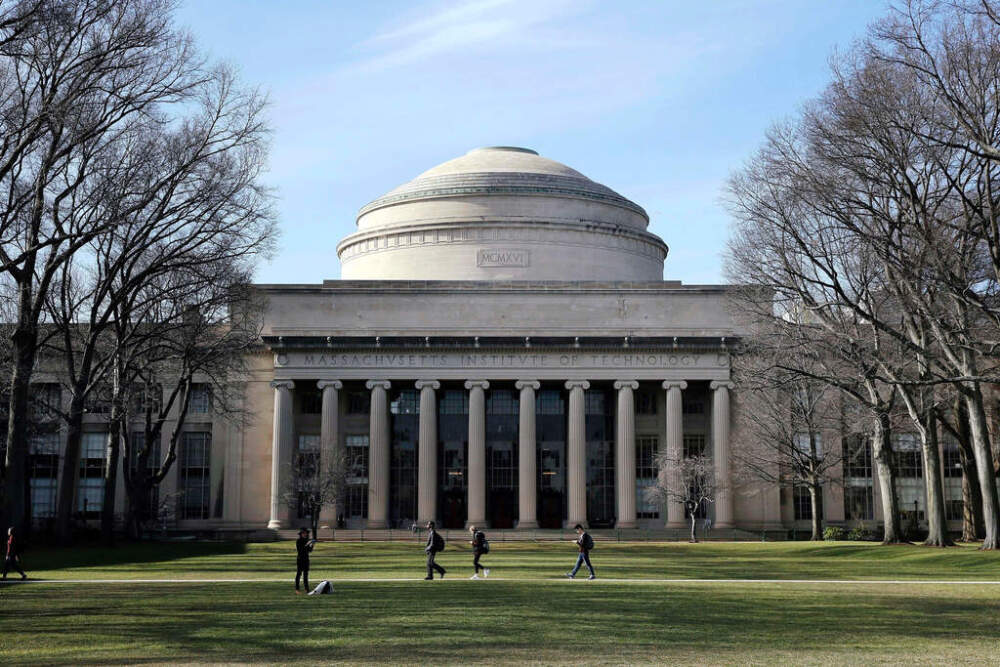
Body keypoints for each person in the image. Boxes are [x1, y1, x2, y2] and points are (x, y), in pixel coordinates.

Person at [295, 527, 315, 594]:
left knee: (306, 575)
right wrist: (308, 543)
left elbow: (309, 550)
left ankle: (307, 589)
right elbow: (300, 550)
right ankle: (297, 589)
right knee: (299, 574)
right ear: (301, 534)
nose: (305, 534)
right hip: (300, 559)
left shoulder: (307, 540)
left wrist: (312, 544)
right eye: (303, 533)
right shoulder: (298, 541)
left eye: (306, 533)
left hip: (306, 559)